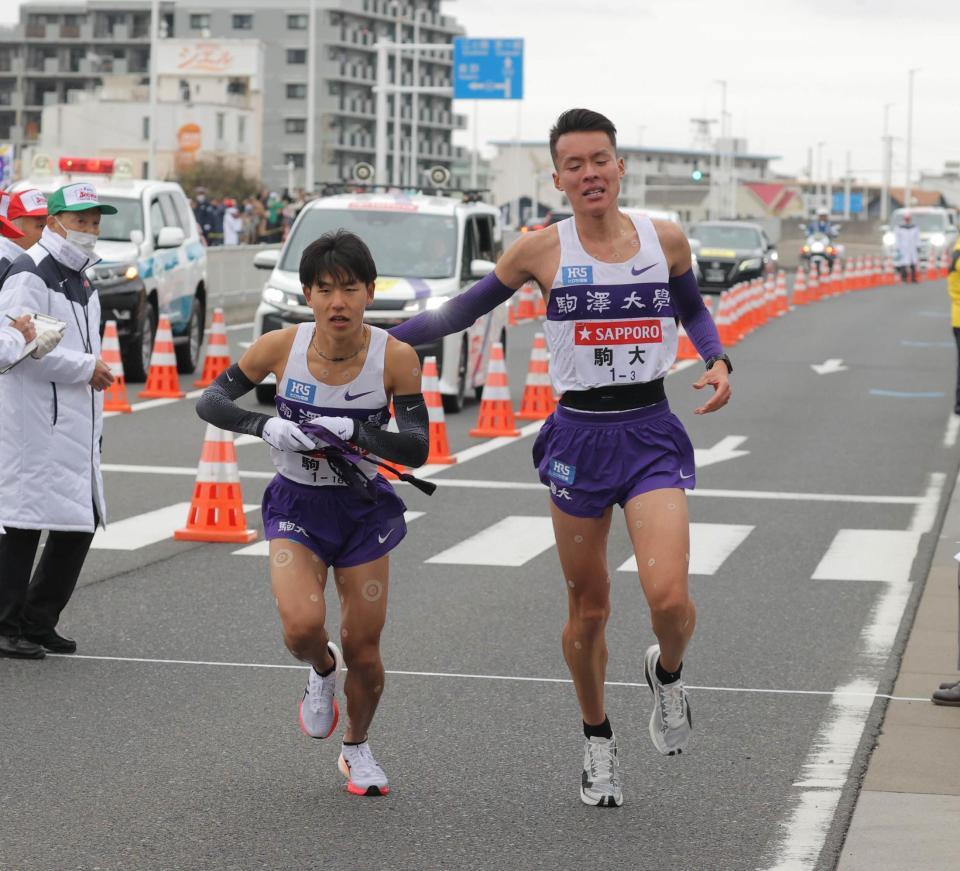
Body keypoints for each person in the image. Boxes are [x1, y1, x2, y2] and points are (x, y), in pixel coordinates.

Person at [390, 108, 732, 807]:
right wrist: (375, 341)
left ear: (619, 164)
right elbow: (457, 314)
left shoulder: (663, 239)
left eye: (599, 159)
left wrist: (718, 356)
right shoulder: (539, 251)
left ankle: (666, 673)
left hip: (648, 429)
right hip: (579, 435)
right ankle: (597, 737)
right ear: (558, 178)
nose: (589, 173)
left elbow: (692, 309)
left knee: (670, 599)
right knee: (591, 608)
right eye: (574, 165)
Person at [196, 229, 430, 796]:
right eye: (324, 289)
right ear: (307, 294)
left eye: (349, 288)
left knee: (365, 648)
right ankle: (320, 671)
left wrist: (363, 432)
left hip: (363, 510)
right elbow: (211, 400)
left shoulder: (395, 358)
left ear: (370, 292)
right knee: (303, 627)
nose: (337, 302)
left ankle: (358, 747)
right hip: (297, 503)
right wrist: (263, 424)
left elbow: (418, 446)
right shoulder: (281, 347)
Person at [0, 182, 116, 660]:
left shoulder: (83, 278)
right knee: (24, 521)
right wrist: (87, 368)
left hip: (74, 418)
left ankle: (38, 619)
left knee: (79, 520)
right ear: (53, 222)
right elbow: (20, 349)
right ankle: (6, 625)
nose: (88, 230)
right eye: (80, 220)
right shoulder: (30, 273)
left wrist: (89, 368)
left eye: (94, 222)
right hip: (34, 418)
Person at [0, 189, 48, 277]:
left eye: (49, 225)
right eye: (40, 226)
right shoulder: (4, 261)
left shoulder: (40, 256)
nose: (47, 232)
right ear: (13, 225)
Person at [895, 211, 921, 283]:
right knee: (903, 263)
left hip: (912, 248)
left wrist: (918, 246)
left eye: (908, 219)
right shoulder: (899, 227)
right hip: (903, 248)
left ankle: (913, 278)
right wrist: (897, 247)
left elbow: (917, 238)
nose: (907, 220)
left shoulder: (914, 227)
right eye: (906, 219)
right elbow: (897, 238)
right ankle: (904, 277)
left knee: (913, 263)